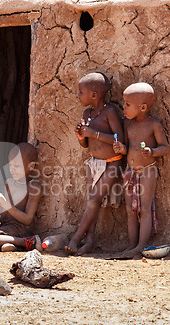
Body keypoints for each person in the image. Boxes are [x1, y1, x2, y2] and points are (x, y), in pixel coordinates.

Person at [65, 72, 124, 255]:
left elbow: (119, 139)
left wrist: (93, 133)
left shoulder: (110, 112)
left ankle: (76, 239)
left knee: (93, 199)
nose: (78, 95)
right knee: (94, 202)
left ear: (94, 94)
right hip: (94, 163)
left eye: (81, 92)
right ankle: (89, 241)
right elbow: (86, 144)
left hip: (112, 163)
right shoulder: (87, 113)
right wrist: (81, 136)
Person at [111, 82, 169, 259]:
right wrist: (123, 149)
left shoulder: (154, 125)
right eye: (124, 103)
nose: (124, 107)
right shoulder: (128, 125)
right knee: (130, 209)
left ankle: (142, 246)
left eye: (128, 104)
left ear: (143, 107)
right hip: (130, 171)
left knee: (144, 208)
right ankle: (132, 245)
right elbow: (131, 147)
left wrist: (152, 152)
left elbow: (165, 147)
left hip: (148, 170)